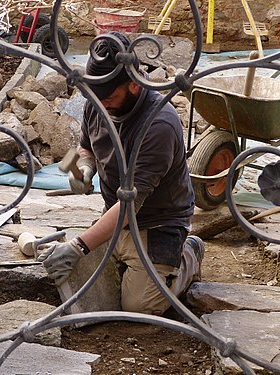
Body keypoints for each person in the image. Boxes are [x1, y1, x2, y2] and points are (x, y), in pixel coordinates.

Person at [37, 32, 204, 316]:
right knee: (82, 280)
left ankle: (188, 253)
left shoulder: (159, 124)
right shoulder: (98, 101)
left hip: (158, 224)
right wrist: (82, 168)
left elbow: (129, 205)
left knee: (138, 307)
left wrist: (79, 246)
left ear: (134, 86)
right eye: (97, 97)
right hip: (115, 216)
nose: (102, 104)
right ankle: (128, 258)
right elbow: (82, 148)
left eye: (109, 96)